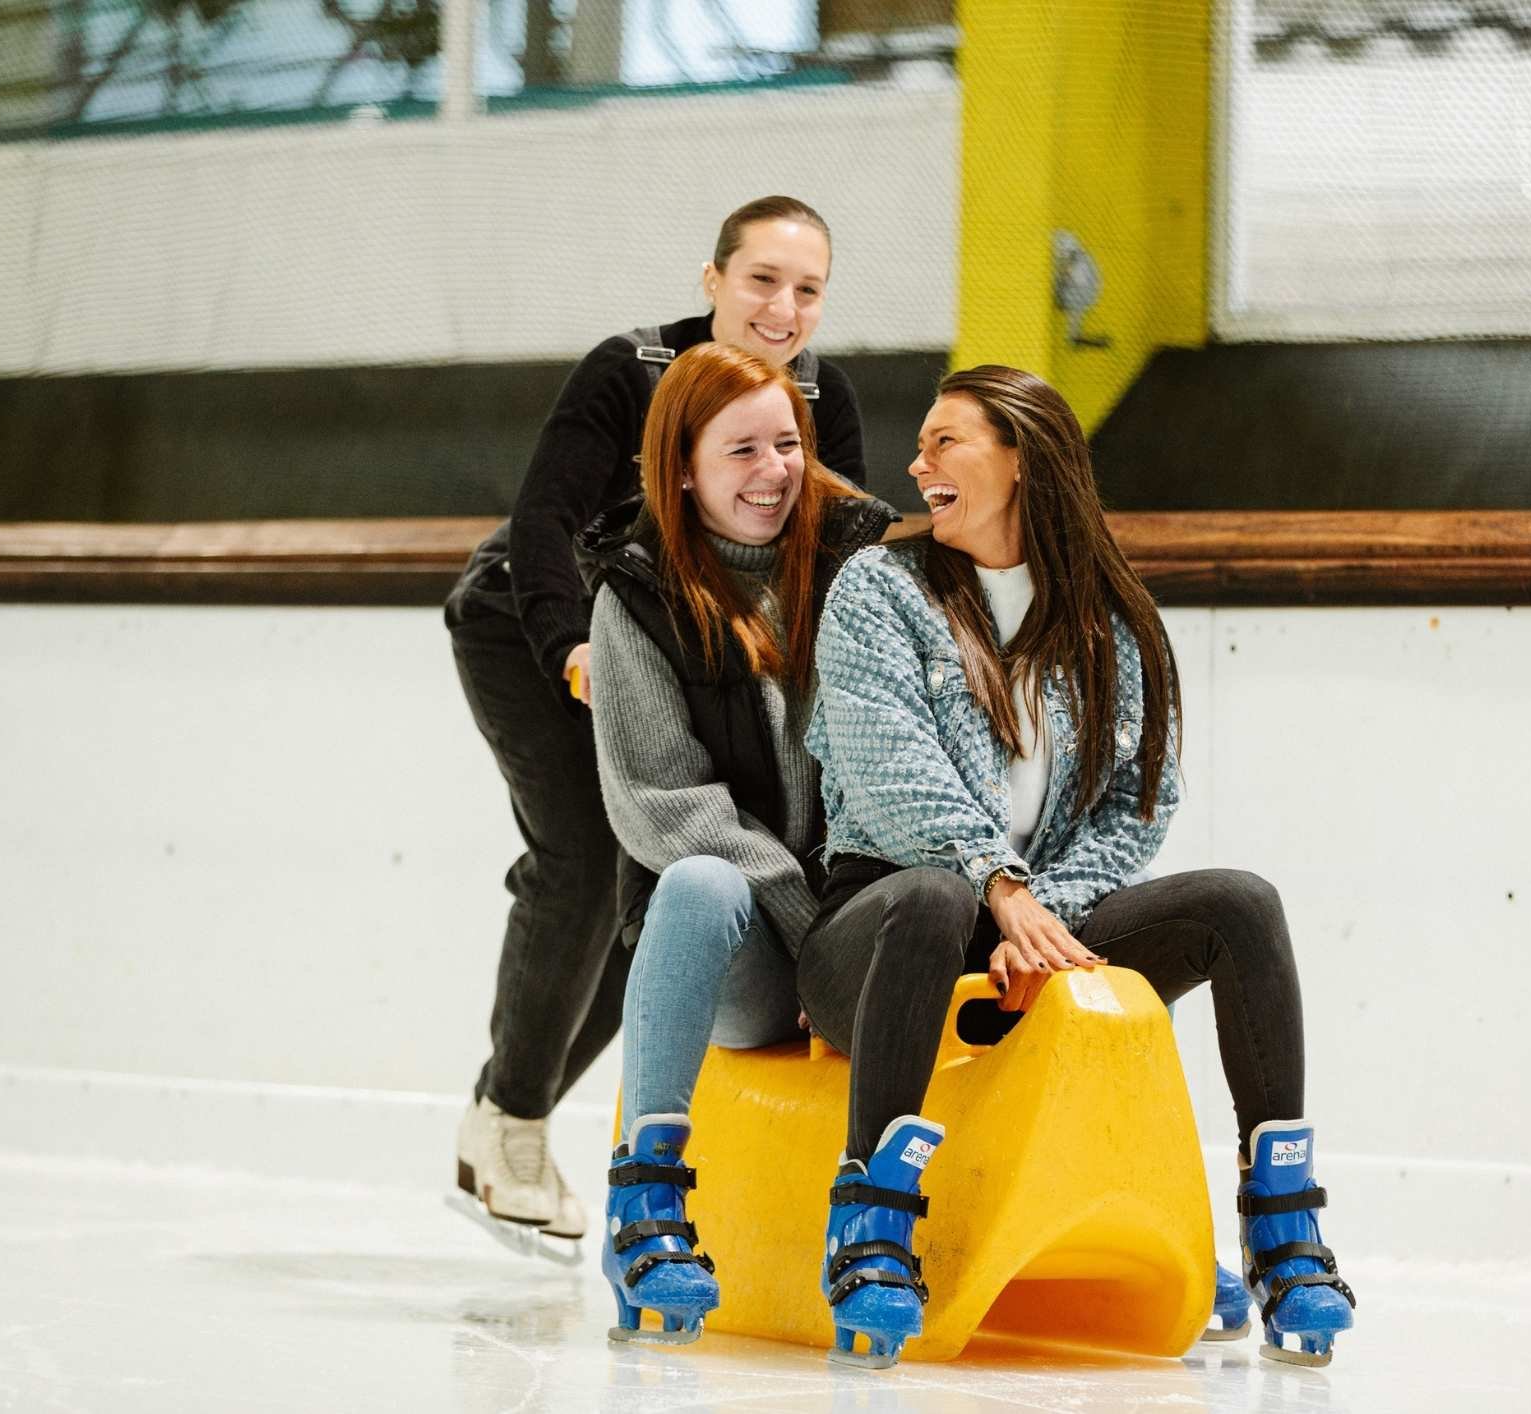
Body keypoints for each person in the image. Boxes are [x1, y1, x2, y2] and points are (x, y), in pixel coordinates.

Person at [796, 366, 1356, 1369]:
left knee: (1240, 904)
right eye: (919, 446)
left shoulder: (1109, 620)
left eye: (944, 443)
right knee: (929, 896)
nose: (917, 466)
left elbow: (1134, 806)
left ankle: (1280, 1228)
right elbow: (890, 777)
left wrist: (1038, 917)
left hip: (1036, 922)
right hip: (879, 928)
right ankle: (872, 1224)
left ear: (1019, 459)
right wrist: (996, 890)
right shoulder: (877, 592)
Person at [445, 196, 866, 1251]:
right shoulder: (626, 371)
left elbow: (837, 546)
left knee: (662, 895)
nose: (781, 307)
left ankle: (506, 1107)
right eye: (760, 279)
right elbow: (544, 522)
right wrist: (568, 652)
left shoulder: (819, 396)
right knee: (589, 852)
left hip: (687, 644)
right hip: (536, 627)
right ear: (712, 279)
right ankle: (513, 1123)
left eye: (806, 288)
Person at [576, 341, 895, 1342]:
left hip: (862, 922)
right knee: (702, 879)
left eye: (788, 443)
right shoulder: (636, 600)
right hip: (754, 952)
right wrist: (795, 912)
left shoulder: (863, 563)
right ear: (681, 468)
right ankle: (647, 1205)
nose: (774, 472)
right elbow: (660, 802)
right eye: (741, 450)